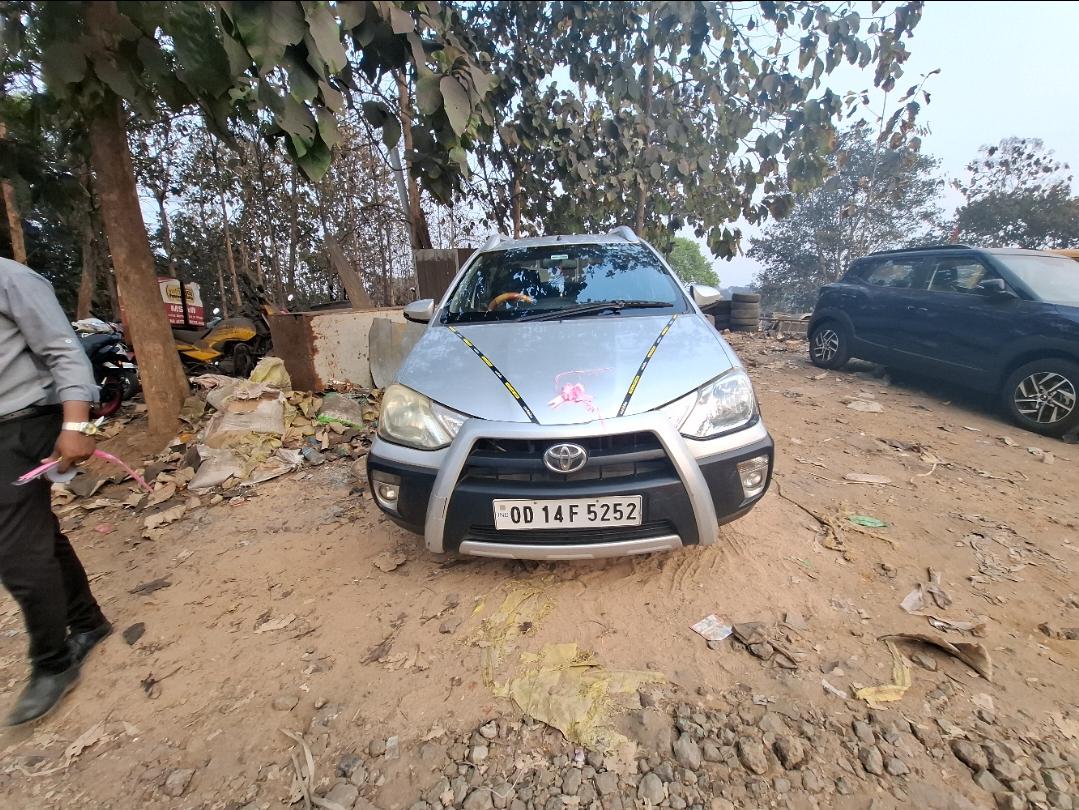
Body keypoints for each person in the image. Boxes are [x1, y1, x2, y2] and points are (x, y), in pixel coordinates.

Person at [0, 256, 112, 726]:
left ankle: (52, 662)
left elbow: (64, 350)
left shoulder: (9, 278)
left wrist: (76, 425)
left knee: (15, 554)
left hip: (21, 424)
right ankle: (87, 622)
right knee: (35, 534)